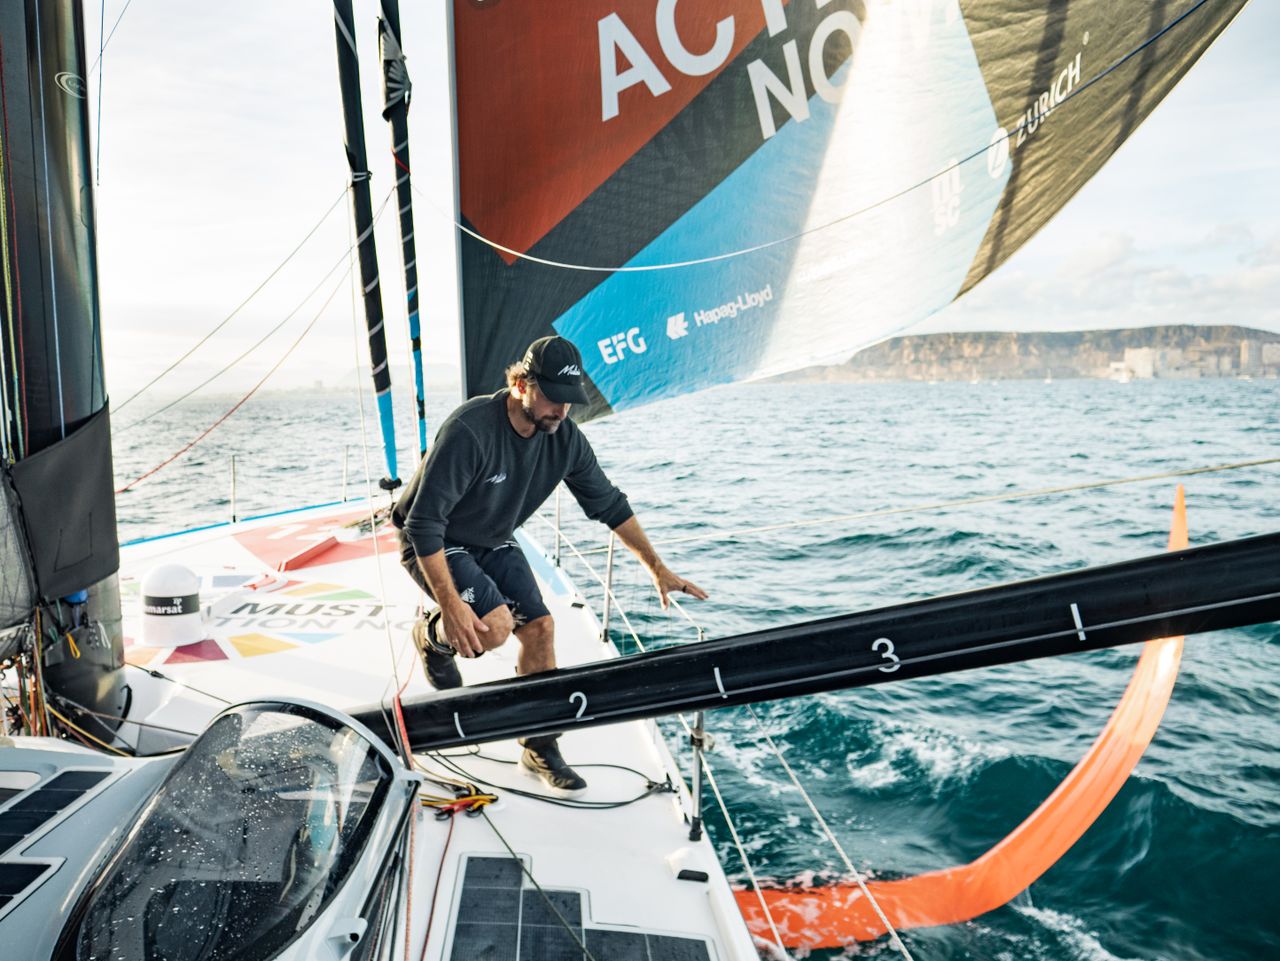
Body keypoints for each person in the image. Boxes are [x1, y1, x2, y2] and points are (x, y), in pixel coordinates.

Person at [392, 336, 707, 792]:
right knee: (494, 626)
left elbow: (610, 504)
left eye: (570, 402)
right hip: (438, 540)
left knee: (540, 629)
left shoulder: (565, 439)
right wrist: (453, 607)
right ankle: (432, 636)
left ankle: (539, 743)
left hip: (493, 539)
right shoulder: (470, 430)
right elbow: (422, 525)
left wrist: (657, 567)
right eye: (553, 398)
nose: (562, 411)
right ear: (521, 384)